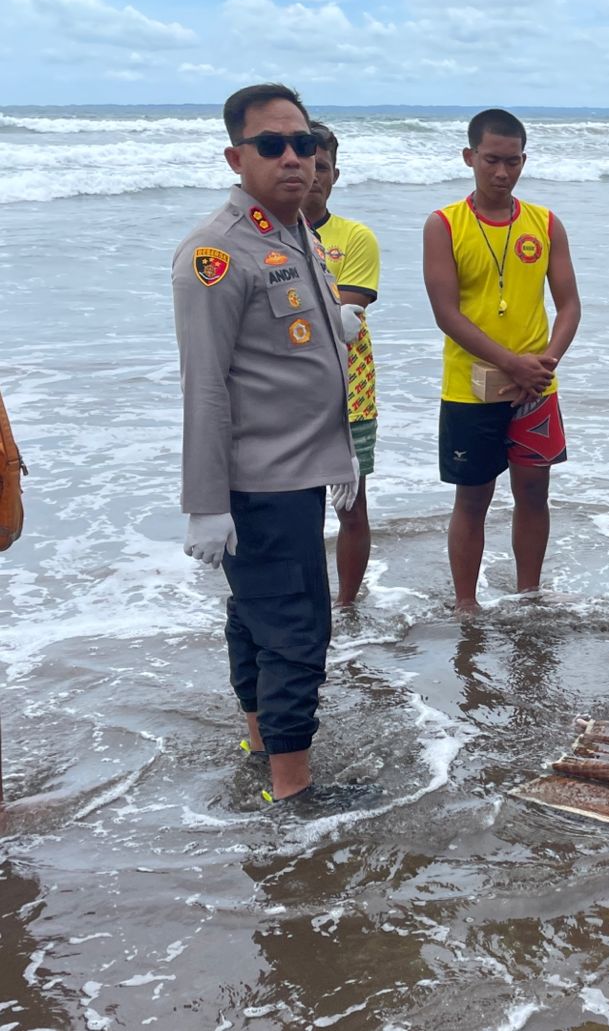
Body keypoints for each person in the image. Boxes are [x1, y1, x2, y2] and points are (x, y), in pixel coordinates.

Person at [172, 82, 365, 808]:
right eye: (272, 145)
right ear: (236, 154)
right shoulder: (215, 253)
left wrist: (341, 455)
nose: (295, 157)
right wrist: (206, 503)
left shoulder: (292, 232)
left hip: (301, 469)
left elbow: (305, 362)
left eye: (304, 143)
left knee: (255, 617)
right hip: (259, 484)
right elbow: (206, 385)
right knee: (295, 631)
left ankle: (262, 741)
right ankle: (293, 788)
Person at [422, 108, 581, 614]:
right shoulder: (444, 224)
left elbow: (570, 305)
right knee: (473, 499)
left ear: (523, 160)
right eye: (491, 160)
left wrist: (545, 363)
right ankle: (466, 604)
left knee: (534, 493)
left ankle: (528, 594)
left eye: (512, 162)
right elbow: (447, 314)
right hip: (470, 388)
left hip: (536, 386)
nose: (501, 173)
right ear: (469, 157)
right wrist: (512, 363)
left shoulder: (545, 223)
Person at [304, 121, 382, 607]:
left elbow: (345, 312)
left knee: (351, 506)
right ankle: (306, 604)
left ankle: (346, 607)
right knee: (295, 511)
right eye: (307, 165)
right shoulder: (259, 233)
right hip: (284, 393)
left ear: (336, 174)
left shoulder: (354, 237)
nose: (313, 176)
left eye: (323, 167)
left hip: (349, 388)